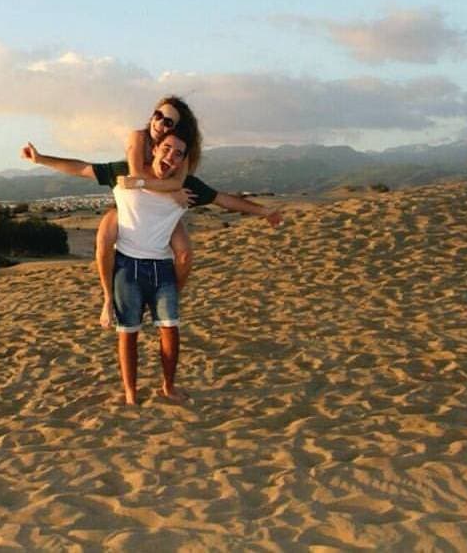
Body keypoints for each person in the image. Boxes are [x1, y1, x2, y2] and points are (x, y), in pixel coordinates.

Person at [21, 129, 282, 406]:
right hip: (126, 267)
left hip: (162, 268)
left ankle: (168, 386)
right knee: (128, 334)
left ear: (182, 162)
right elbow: (81, 168)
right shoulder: (125, 175)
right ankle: (131, 393)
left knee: (171, 330)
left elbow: (225, 200)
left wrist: (265, 212)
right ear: (155, 149)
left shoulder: (187, 188)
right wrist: (40, 158)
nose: (171, 156)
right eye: (167, 148)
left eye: (178, 154)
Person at [93, 97, 201, 330]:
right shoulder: (138, 138)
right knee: (103, 239)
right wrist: (40, 159)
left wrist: (264, 211)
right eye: (158, 115)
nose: (160, 123)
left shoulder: (179, 155)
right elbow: (89, 169)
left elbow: (219, 197)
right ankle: (108, 298)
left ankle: (169, 295)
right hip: (130, 212)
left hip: (162, 220)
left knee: (184, 254)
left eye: (169, 122)